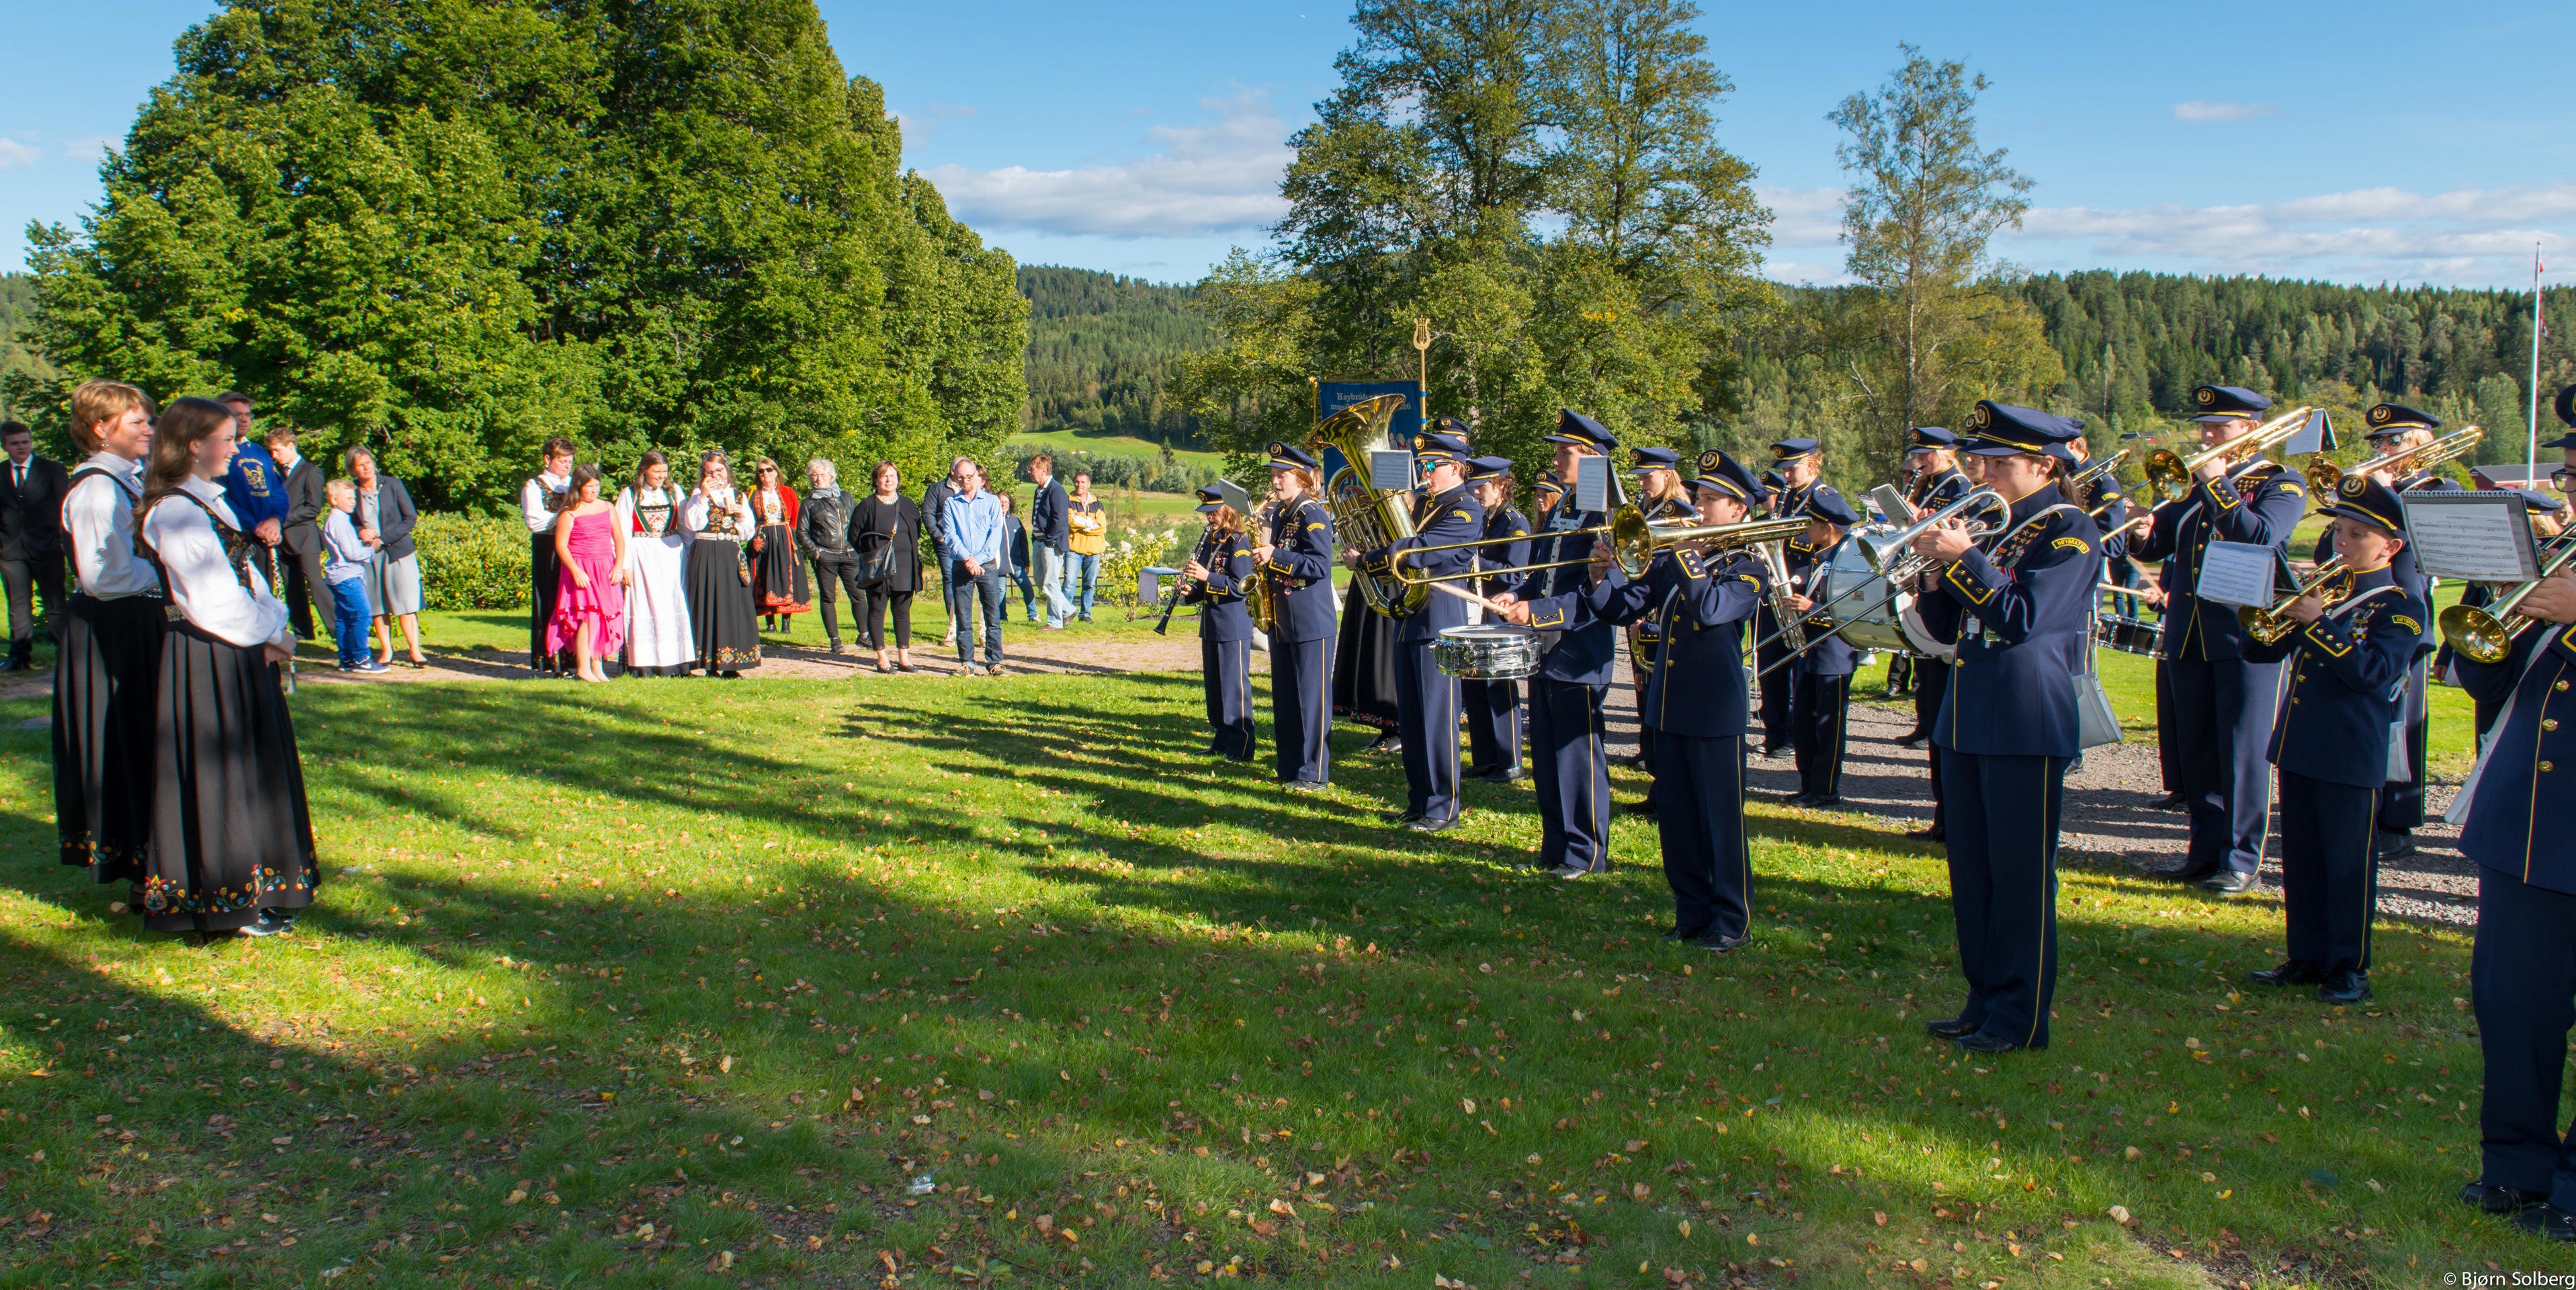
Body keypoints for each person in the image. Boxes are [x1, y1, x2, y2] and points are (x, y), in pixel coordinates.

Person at [1909, 402, 2102, 1054]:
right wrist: (1934, 573)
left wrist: (1965, 558)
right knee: (1974, 875)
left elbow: (2022, 618)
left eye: (1997, 462)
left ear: (2043, 465)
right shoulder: (1997, 528)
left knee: (2020, 878)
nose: (1983, 473)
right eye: (1981, 461)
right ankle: (1983, 1000)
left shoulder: (2070, 530)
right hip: (1968, 715)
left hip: (2024, 720)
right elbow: (1945, 628)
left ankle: (2020, 1019)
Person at [2450, 387, 2576, 1241]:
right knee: (2513, 1006)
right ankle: (2516, 1167)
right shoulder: (2562, 557)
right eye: (2572, 475)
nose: (2570, 492)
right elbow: (2491, 687)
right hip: (2526, 826)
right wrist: (2501, 603)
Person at [2239, 476, 2428, 1006]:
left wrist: (2319, 623)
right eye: (2338, 531)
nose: (2341, 543)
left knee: (2347, 866)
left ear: (2390, 547)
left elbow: (2373, 673)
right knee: (2303, 860)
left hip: (2348, 752)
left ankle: (2349, 968)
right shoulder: (2328, 595)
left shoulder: (2400, 606)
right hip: (2301, 746)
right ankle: (2307, 956)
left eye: (2356, 534)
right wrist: (2268, 615)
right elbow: (2260, 654)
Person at [133, 396, 316, 937]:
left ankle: (253, 893)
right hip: (208, 653)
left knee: (249, 769)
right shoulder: (177, 511)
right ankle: (224, 900)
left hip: (235, 647)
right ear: (194, 445)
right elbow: (211, 601)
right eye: (228, 439)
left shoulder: (208, 502)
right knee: (220, 775)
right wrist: (271, 634)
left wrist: (276, 627)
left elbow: (247, 578)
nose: (237, 449)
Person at [1578, 452, 1770, 939]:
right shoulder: (1682, 559)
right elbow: (1624, 608)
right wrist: (1599, 577)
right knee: (1678, 822)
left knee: (1720, 824)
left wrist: (1685, 555)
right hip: (1669, 707)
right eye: (1699, 498)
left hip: (1713, 711)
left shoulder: (1747, 565)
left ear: (1739, 509)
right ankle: (1691, 913)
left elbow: (1710, 609)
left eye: (1710, 501)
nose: (1698, 509)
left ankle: (1731, 921)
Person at [2130, 384, 2309, 895]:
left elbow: (2259, 536)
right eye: (2205, 427)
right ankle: (2203, 852)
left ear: (2250, 430)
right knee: (2198, 750)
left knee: (2244, 752)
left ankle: (2242, 858)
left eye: (2218, 427)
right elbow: (2160, 541)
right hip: (2189, 633)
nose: (2207, 436)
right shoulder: (2192, 485)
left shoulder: (2282, 482)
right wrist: (2140, 530)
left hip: (2246, 637)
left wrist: (2218, 483)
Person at [1490, 413, 1621, 877]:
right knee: (1547, 753)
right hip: (1547, 650)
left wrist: (1538, 611)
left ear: (1591, 458)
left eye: (1564, 453)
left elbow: (1598, 593)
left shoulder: (1606, 513)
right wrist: (1518, 595)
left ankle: (1586, 852)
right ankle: (1557, 845)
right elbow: (1544, 572)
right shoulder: (1567, 503)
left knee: (1577, 756)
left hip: (1580, 651)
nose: (1556, 460)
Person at [2332, 403, 2454, 862]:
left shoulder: (2440, 489)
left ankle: (2397, 823)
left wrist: (2386, 494)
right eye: (2378, 441)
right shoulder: (2377, 489)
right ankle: (2360, 807)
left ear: (2422, 441)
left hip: (2405, 617)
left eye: (2394, 440)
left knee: (2401, 722)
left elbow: (2430, 549)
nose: (2383, 448)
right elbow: (2335, 547)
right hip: (2357, 610)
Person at [52, 380, 162, 884]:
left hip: (131, 623)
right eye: (137, 422)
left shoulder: (127, 480)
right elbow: (104, 578)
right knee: (125, 740)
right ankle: (135, 862)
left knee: (142, 741)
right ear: (101, 428)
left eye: (148, 420)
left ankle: (149, 861)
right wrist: (168, 569)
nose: (149, 429)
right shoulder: (98, 489)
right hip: (113, 630)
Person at [1348, 427, 1483, 831]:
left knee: (1436, 721)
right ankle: (1419, 801)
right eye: (1422, 465)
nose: (1424, 472)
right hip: (1410, 620)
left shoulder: (1465, 508)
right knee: (1412, 718)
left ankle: (1442, 808)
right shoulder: (1426, 502)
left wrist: (1368, 560)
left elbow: (1420, 551)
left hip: (1438, 625)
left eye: (1432, 465)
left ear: (1455, 468)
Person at [1248, 443, 1336, 789]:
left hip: (1311, 621)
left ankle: (1314, 773)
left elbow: (1319, 565)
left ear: (1300, 478)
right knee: (1286, 699)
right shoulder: (1283, 514)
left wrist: (1275, 556)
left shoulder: (1313, 514)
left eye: (1281, 475)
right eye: (1273, 475)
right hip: (1283, 619)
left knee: (1312, 702)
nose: (1275, 482)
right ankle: (1289, 767)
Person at [1778, 490, 1858, 806]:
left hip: (1834, 654)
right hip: (1810, 652)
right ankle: (1808, 783)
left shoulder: (1849, 562)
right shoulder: (1819, 557)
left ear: (1828, 528)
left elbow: (1852, 610)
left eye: (1811, 523)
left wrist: (1811, 608)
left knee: (1828, 727)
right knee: (1803, 721)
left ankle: (1825, 790)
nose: (1806, 529)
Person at [1619, 445, 1692, 788]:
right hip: (1642, 599)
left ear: (1667, 475)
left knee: (1657, 684)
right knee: (1642, 681)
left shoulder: (1679, 509)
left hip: (1662, 604)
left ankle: (1657, 759)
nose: (1642, 483)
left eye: (1648, 477)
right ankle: (1647, 748)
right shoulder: (1645, 506)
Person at [1895, 427, 1972, 747]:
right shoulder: (1926, 483)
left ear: (1944, 454)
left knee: (1938, 656)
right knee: (1924, 654)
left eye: (1925, 454)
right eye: (1917, 454)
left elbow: (1955, 527)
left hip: (1944, 575)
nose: (1919, 460)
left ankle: (1936, 727)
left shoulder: (1959, 484)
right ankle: (1924, 723)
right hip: (1924, 569)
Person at [1756, 439, 1830, 758]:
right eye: (1784, 470)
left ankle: (1793, 737)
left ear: (1811, 465)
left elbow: (1830, 544)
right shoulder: (1787, 497)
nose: (1786, 476)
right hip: (1777, 590)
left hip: (1804, 592)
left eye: (1792, 469)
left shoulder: (1824, 498)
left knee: (1799, 669)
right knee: (1770, 665)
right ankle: (1774, 733)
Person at [1463, 456, 1531, 781]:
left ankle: (1510, 760)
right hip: (1478, 611)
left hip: (1500, 613)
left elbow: (1513, 574)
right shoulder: (1486, 519)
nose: (1476, 492)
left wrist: (1475, 562)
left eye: (1482, 487)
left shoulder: (1515, 523)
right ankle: (1485, 758)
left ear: (1501, 487)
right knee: (1475, 683)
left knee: (1499, 686)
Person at [1185, 485, 1258, 761]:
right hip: (1212, 623)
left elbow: (1241, 586)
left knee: (1234, 689)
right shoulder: (1213, 541)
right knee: (1215, 689)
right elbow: (1205, 582)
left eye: (1213, 512)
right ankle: (1222, 738)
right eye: (1207, 514)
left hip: (1233, 624)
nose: (1209, 518)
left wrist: (1206, 578)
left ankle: (1242, 745)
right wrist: (1192, 591)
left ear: (1228, 511)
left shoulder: (1239, 543)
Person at [616, 450, 695, 677]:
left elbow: (685, 526)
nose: (662, 476)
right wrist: (624, 565)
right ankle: (645, 663)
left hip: (672, 555)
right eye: (657, 472)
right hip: (642, 556)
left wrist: (691, 554)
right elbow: (622, 531)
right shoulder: (630, 494)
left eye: (664, 472)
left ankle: (678, 663)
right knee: (645, 603)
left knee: (674, 602)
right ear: (644, 470)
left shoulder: (674, 491)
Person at [546, 464, 628, 683]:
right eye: (589, 487)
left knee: (603, 615)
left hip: (605, 566)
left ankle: (597, 667)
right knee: (586, 617)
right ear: (579, 487)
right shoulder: (569, 512)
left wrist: (619, 565)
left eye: (597, 486)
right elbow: (561, 545)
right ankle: (583, 668)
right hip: (581, 568)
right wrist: (576, 571)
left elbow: (619, 539)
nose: (594, 491)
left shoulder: (608, 507)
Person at [682, 450, 761, 677]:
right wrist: (703, 496)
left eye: (719, 471)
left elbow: (747, 533)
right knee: (708, 603)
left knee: (732, 604)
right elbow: (693, 524)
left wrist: (740, 517)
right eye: (710, 472)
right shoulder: (698, 495)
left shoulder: (739, 496)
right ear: (703, 474)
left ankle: (732, 664)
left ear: (727, 471)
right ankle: (709, 663)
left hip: (730, 554)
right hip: (706, 553)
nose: (716, 475)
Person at [345, 448, 425, 669]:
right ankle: (386, 651)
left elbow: (410, 518)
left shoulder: (393, 484)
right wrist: (360, 532)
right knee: (378, 605)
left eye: (368, 462)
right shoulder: (352, 492)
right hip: (370, 556)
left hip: (399, 552)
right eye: (361, 465)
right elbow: (349, 521)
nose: (366, 467)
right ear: (353, 470)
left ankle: (415, 651)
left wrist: (384, 539)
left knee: (406, 603)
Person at [0, 420, 69, 672]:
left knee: (55, 604)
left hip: (47, 548)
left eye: (25, 442)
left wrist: (63, 542)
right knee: (18, 605)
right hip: (10, 551)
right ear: (4, 446)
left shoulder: (51, 470)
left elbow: (65, 508)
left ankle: (65, 652)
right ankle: (19, 657)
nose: (21, 447)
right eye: (15, 443)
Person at [213, 392, 290, 599]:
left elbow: (278, 492)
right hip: (239, 537)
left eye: (248, 414)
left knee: (269, 595)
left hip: (266, 537)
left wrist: (275, 520)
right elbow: (221, 497)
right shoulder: (217, 452)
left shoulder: (259, 452)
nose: (244, 419)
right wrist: (255, 526)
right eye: (237, 415)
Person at [851, 461, 925, 673]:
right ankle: (882, 658)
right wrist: (872, 555)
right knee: (877, 611)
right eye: (884, 476)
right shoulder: (867, 506)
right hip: (878, 568)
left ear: (898, 480)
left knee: (903, 613)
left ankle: (904, 658)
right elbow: (854, 536)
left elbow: (917, 532)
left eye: (892, 476)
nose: (888, 480)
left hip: (905, 567)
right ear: (876, 480)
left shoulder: (908, 505)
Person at [941, 456, 1008, 675]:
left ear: (977, 476)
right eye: (961, 477)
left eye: (969, 476)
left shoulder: (992, 502)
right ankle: (967, 663)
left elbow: (995, 534)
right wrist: (968, 559)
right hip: (961, 565)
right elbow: (950, 535)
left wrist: (977, 559)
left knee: (992, 617)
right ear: (955, 478)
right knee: (963, 617)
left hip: (987, 565)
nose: (966, 481)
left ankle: (995, 662)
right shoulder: (951, 504)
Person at [266, 427, 330, 642]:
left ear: (291, 446)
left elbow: (313, 508)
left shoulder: (311, 472)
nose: (274, 455)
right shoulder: (276, 474)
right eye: (272, 451)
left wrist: (280, 520)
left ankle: (338, 629)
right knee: (291, 586)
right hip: (283, 540)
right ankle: (303, 634)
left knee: (315, 583)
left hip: (305, 537)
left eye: (277, 450)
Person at [318, 479, 385, 673]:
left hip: (339, 576)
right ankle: (362, 659)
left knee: (344, 618)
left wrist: (362, 545)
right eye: (348, 498)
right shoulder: (339, 522)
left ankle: (346, 659)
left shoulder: (339, 520)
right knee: (362, 614)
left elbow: (348, 548)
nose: (353, 502)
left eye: (354, 498)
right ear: (334, 500)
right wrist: (372, 550)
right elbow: (352, 554)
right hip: (347, 577)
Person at [522, 438, 576, 675]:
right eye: (562, 461)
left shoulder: (574, 484)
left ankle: (573, 656)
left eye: (570, 462)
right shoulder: (534, 486)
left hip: (573, 547)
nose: (567, 466)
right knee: (549, 598)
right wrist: (564, 517)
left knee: (571, 599)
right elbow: (534, 521)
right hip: (548, 547)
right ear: (547, 459)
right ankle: (549, 657)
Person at [800, 458, 862, 654]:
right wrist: (816, 553)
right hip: (825, 556)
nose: (818, 479)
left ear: (831, 476)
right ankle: (835, 640)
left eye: (822, 475)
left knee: (858, 596)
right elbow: (801, 532)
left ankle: (865, 634)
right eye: (814, 475)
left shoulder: (846, 497)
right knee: (828, 598)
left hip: (850, 554)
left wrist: (858, 548)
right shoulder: (809, 503)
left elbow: (857, 523)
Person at [746, 458, 809, 634]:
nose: (765, 473)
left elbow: (796, 516)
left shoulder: (787, 492)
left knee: (786, 578)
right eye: (760, 471)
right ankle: (770, 623)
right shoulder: (752, 493)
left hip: (784, 537)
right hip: (762, 537)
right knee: (765, 577)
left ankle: (786, 623)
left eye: (768, 470)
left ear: (776, 471)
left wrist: (787, 533)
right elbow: (747, 517)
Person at [1028, 454, 1074, 630]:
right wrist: (1036, 538)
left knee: (1050, 582)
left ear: (1043, 470)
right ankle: (1068, 610)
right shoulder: (1039, 489)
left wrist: (1050, 541)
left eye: (1032, 469)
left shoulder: (1056, 490)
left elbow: (1060, 520)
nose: (1030, 472)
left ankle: (1055, 622)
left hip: (1051, 544)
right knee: (1041, 581)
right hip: (1039, 541)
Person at [923, 465, 959, 649]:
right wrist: (938, 536)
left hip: (968, 543)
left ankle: (982, 631)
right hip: (946, 542)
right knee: (950, 579)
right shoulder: (937, 489)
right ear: (952, 471)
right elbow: (927, 513)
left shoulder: (971, 487)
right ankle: (954, 626)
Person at [1065, 471, 1107, 622]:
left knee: (1089, 584)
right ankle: (1066, 613)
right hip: (1074, 549)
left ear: (1088, 484)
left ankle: (1085, 614)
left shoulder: (1097, 504)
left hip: (1094, 550)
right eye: (1077, 482)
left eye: (1083, 482)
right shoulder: (1068, 501)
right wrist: (1090, 523)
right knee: (1069, 583)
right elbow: (1070, 523)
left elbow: (1102, 527)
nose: (1079, 485)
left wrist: (1082, 524)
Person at [1000, 490, 1037, 621]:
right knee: (1000, 592)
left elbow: (1024, 543)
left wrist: (1026, 562)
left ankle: (1033, 615)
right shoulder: (991, 520)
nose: (1004, 505)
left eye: (1006, 502)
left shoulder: (1015, 521)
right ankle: (1002, 617)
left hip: (1015, 563)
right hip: (999, 564)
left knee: (1027, 587)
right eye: (1001, 502)